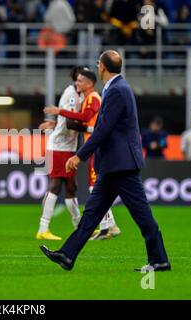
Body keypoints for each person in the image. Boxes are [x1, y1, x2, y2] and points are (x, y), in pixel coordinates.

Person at [40, 50, 170, 272]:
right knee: (91, 213)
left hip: (122, 165)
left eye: (98, 62)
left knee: (142, 214)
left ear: (103, 67)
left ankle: (159, 260)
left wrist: (80, 155)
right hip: (113, 164)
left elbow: (103, 129)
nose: (97, 66)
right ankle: (67, 255)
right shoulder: (117, 88)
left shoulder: (117, 90)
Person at [44, 68, 121, 241]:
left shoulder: (93, 98)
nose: (77, 83)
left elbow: (86, 117)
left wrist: (60, 112)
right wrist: (58, 123)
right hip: (93, 145)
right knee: (96, 186)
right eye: (76, 81)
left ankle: (109, 225)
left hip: (97, 145)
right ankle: (107, 226)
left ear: (89, 83)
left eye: (80, 81)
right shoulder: (88, 97)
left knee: (95, 186)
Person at [36, 66, 84, 241]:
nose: (82, 81)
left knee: (71, 187)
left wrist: (55, 124)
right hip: (59, 147)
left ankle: (79, 227)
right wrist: (90, 127)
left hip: (68, 147)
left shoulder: (80, 95)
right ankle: (43, 228)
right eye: (79, 78)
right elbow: (71, 122)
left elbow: (65, 120)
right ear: (75, 79)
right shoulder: (72, 94)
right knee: (56, 185)